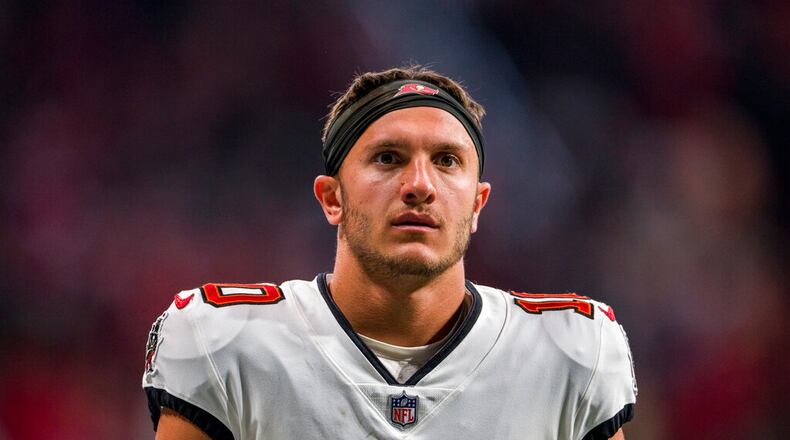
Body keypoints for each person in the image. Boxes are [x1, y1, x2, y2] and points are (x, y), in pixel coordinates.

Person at [142, 66, 637, 439]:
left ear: (477, 203)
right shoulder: (226, 344)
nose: (419, 185)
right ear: (332, 198)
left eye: (446, 161)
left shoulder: (570, 353)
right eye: (388, 158)